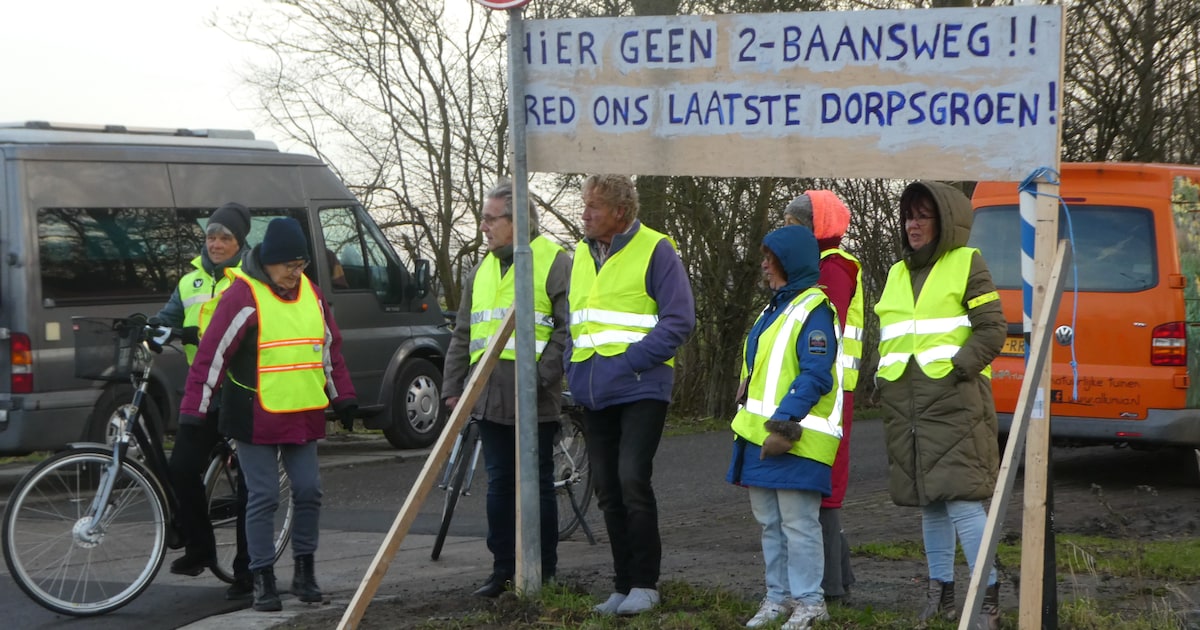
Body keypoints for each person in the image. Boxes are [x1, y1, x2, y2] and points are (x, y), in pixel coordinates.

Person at [179, 217, 358, 612]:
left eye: (301, 265)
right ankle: (262, 578)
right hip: (253, 414)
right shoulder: (242, 296)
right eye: (289, 266)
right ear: (269, 262)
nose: (296, 273)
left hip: (302, 411)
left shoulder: (311, 294)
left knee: (308, 490)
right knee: (262, 496)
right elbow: (211, 356)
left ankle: (305, 572)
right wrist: (195, 409)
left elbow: (328, 349)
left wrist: (343, 396)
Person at [873, 181, 1006, 629]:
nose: (913, 225)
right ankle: (940, 598)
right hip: (906, 408)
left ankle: (988, 603)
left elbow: (992, 329)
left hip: (955, 405)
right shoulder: (896, 272)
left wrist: (956, 370)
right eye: (909, 216)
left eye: (923, 216)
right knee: (929, 504)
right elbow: (892, 337)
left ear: (944, 221)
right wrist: (880, 378)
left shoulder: (967, 262)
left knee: (963, 504)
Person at [566, 174, 696, 616]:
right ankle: (622, 586)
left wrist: (629, 362)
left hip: (641, 387)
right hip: (593, 389)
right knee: (606, 487)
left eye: (594, 206)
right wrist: (573, 367)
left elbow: (679, 320)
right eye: (585, 204)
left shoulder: (657, 249)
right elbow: (574, 322)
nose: (584, 213)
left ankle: (645, 584)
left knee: (631, 479)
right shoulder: (581, 254)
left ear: (620, 212)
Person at [441, 179, 570, 597]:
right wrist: (452, 387)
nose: (483, 227)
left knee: (537, 484)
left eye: (490, 219)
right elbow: (464, 333)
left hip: (535, 396)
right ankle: (503, 571)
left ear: (517, 222)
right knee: (499, 485)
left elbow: (567, 329)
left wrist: (540, 377)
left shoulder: (554, 262)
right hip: (489, 395)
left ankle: (543, 571)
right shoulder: (479, 272)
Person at [729, 225, 842, 630]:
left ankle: (810, 603)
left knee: (798, 524)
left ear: (788, 262)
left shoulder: (814, 310)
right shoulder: (774, 308)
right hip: (761, 436)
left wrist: (785, 424)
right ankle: (777, 599)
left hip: (796, 438)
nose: (764, 264)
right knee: (770, 524)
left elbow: (815, 375)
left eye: (770, 258)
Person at [159, 202, 255, 599]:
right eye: (211, 236)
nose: (215, 244)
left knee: (252, 485)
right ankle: (200, 549)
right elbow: (167, 318)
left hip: (241, 392)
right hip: (203, 392)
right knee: (181, 468)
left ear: (239, 242)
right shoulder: (190, 281)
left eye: (224, 238)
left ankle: (248, 571)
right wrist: (152, 327)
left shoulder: (252, 278)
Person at [782, 191, 863, 602]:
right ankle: (838, 580)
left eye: (793, 225)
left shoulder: (832, 269)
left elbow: (820, 332)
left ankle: (830, 586)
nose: (786, 233)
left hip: (827, 391)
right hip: (824, 387)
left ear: (814, 228)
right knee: (819, 484)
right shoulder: (824, 265)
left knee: (822, 485)